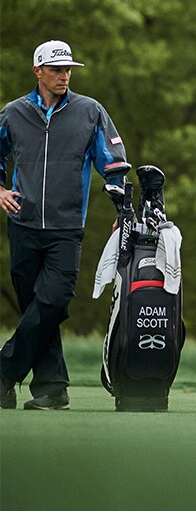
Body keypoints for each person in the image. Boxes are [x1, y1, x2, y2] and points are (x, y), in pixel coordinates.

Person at [0, 40, 128, 410]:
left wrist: (121, 207)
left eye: (68, 69)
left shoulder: (89, 111)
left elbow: (113, 162)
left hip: (66, 228)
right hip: (23, 225)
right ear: (38, 71)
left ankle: (4, 372)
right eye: (56, 69)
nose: (64, 75)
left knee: (53, 302)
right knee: (35, 310)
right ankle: (53, 389)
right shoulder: (13, 113)